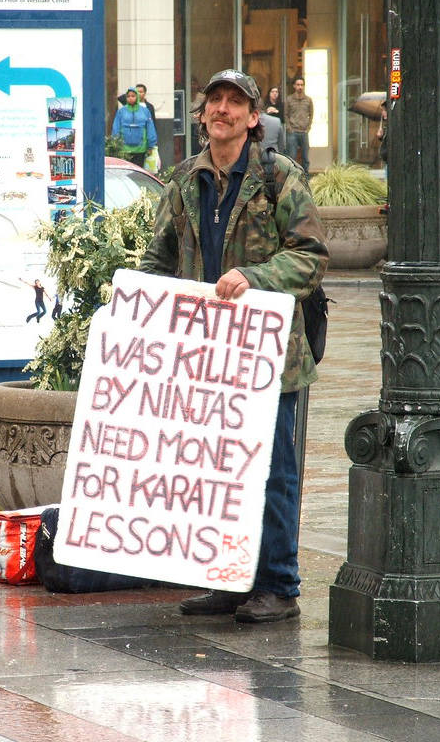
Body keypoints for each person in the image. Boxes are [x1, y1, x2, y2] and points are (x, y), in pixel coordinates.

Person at [139, 68, 328, 624]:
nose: (222, 110)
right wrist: (132, 311)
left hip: (271, 357)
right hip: (206, 359)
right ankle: (227, 578)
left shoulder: (279, 177)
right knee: (215, 469)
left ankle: (278, 585)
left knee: (273, 471)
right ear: (202, 115)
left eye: (234, 102)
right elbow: (159, 260)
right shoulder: (181, 181)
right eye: (213, 101)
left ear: (253, 117)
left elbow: (313, 256)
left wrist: (256, 277)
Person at [111, 88, 157, 167]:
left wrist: (150, 145)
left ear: (137, 97)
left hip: (141, 149)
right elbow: (116, 128)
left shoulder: (145, 111)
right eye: (128, 96)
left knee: (138, 172)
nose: (130, 98)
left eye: (133, 96)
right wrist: (115, 144)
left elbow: (150, 129)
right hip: (124, 148)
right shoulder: (121, 111)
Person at [285, 76, 314, 177]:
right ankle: (292, 177)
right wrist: (289, 128)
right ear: (294, 86)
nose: (300, 87)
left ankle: (305, 176)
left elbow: (311, 114)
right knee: (292, 156)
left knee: (305, 157)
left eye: (302, 85)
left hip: (304, 132)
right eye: (298, 85)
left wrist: (308, 127)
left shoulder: (308, 100)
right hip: (293, 131)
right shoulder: (289, 99)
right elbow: (286, 115)